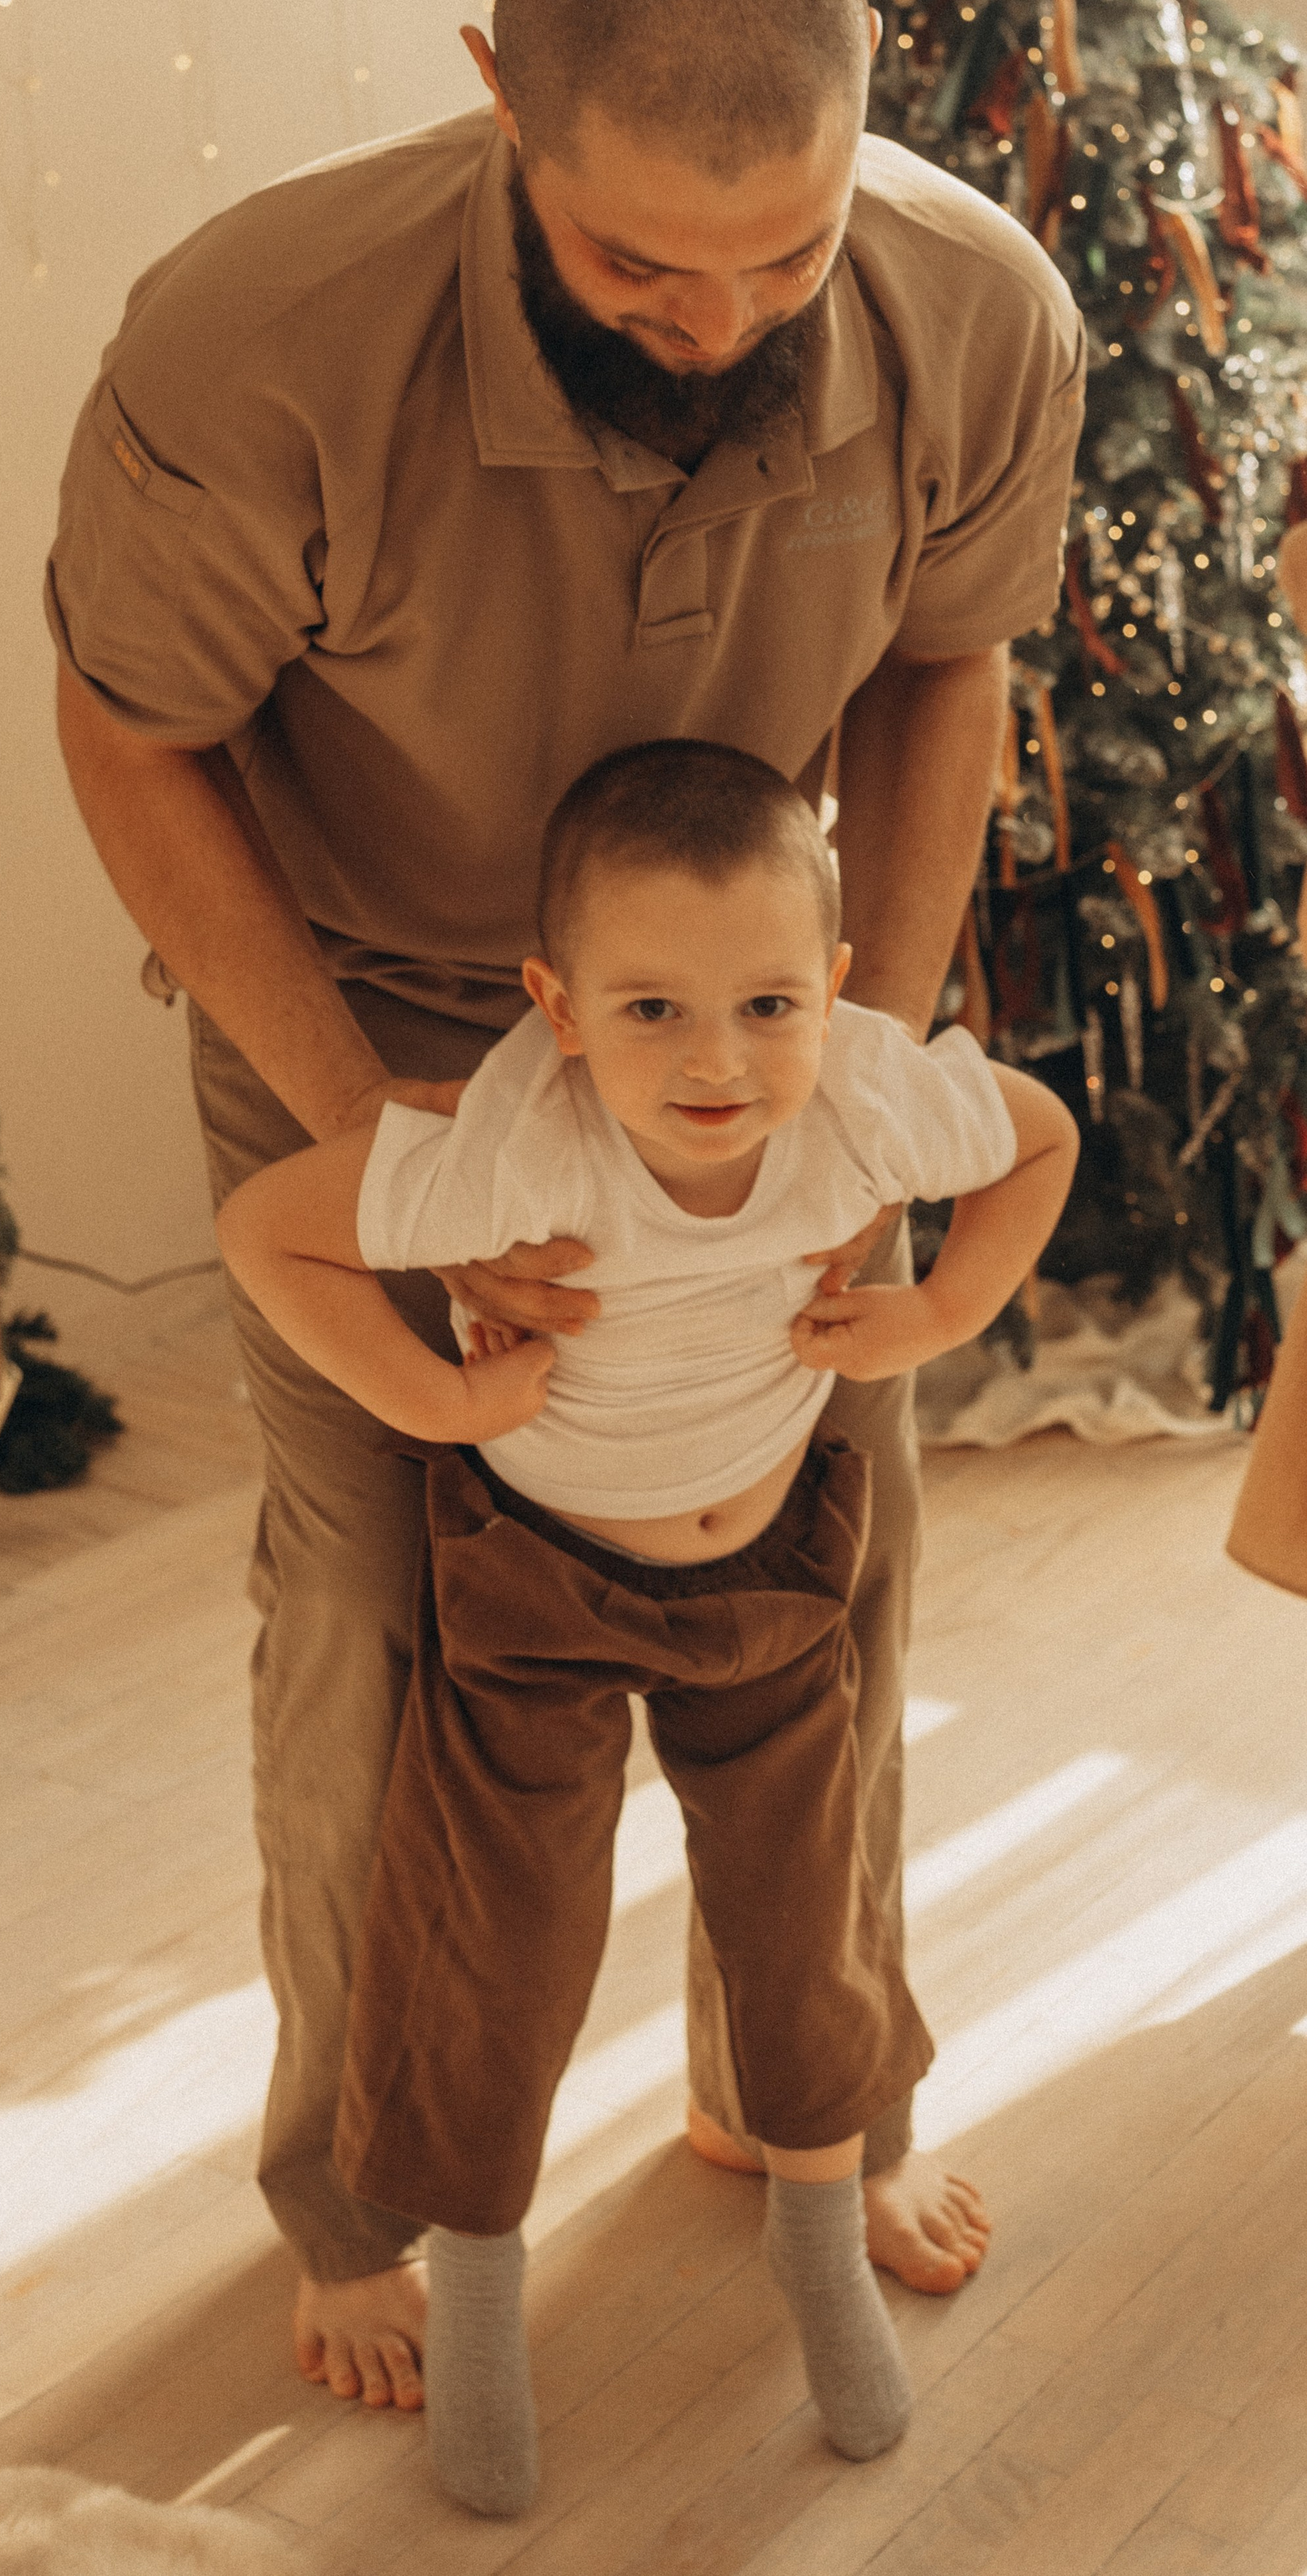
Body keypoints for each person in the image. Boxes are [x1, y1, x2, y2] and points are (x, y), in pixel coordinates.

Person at [48, 0, 1086, 2407]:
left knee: (844, 1570)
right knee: (382, 1629)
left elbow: (953, 668)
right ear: (497, 92)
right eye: (642, 259)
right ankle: (362, 2190)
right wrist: (404, 1168)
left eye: (790, 248)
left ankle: (797, 2099)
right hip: (376, 1030)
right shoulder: (255, 340)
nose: (721, 318)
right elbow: (128, 731)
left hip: (761, 1034)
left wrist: (868, 1071)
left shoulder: (978, 313)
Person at [215, 742, 1079, 2511]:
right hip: (536, 1593)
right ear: (556, 1008)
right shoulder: (506, 1150)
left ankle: (816, 2242)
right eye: (653, 1009)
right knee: (497, 1943)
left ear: (834, 992)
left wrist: (936, 1317)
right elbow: (265, 1234)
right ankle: (474, 2289)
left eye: (767, 1002)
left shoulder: (858, 1100)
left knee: (801, 1920)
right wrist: (431, 1404)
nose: (714, 1059)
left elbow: (1039, 1139)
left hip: (765, 1582)